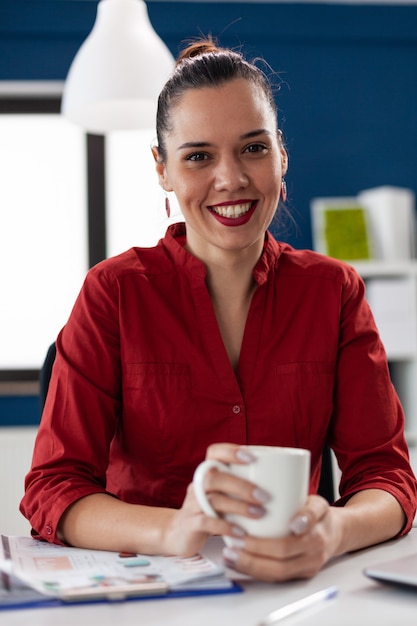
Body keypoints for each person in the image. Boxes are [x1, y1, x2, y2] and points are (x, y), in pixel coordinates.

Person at [21, 38, 417, 583]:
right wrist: (174, 530)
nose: (230, 179)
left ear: (282, 153)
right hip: (149, 594)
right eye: (199, 156)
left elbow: (387, 477)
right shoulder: (113, 294)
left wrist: (334, 532)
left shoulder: (334, 292)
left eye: (253, 148)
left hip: (292, 589)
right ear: (162, 169)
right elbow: (53, 485)